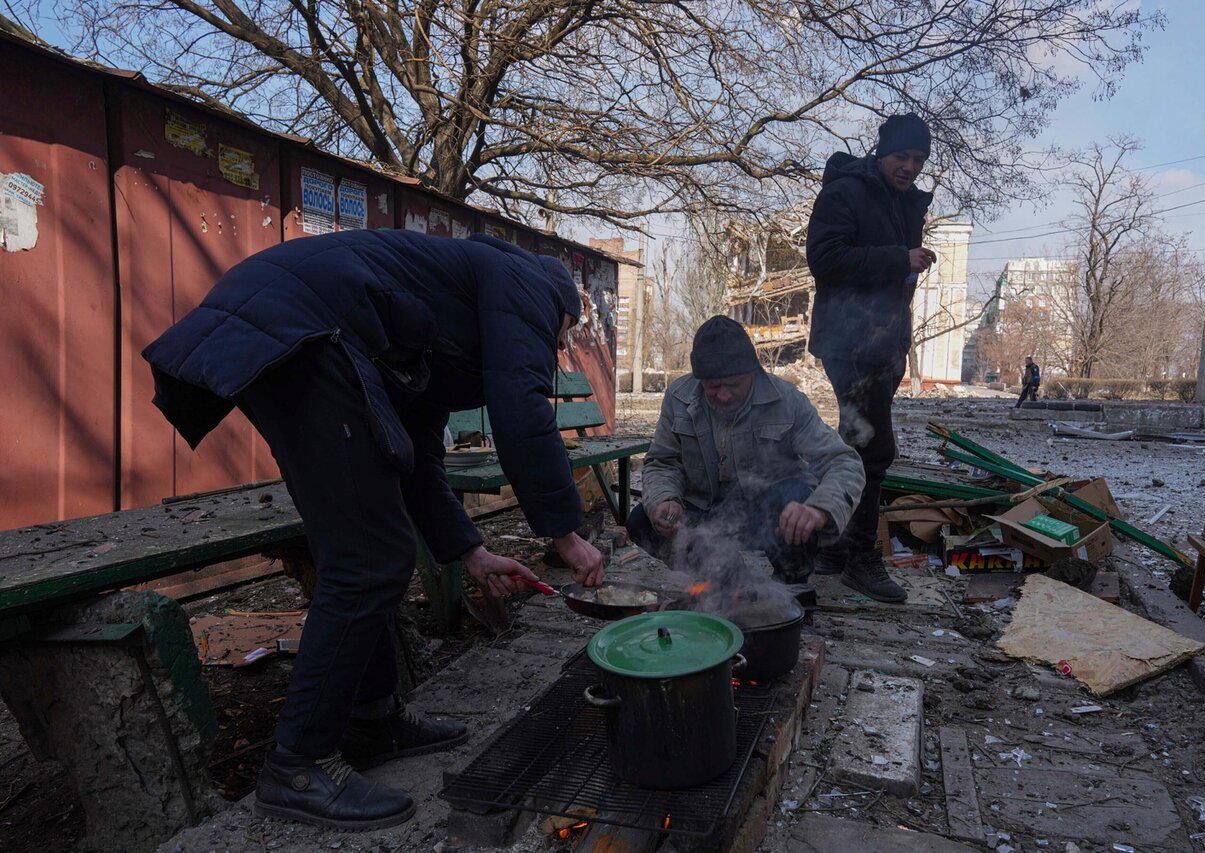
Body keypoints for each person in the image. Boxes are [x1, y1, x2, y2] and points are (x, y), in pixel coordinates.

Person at [143, 229, 606, 831]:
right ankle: (299, 764)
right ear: (561, 309)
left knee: (374, 545)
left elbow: (417, 453)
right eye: (564, 338)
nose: (559, 347)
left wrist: (471, 553)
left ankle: (370, 721)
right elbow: (523, 403)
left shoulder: (448, 314)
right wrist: (565, 534)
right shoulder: (529, 282)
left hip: (291, 324)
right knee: (367, 557)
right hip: (304, 328)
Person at [627, 316, 864, 605]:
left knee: (797, 497)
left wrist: (819, 509)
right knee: (642, 520)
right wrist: (664, 499)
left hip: (764, 519)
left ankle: (792, 585)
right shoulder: (679, 397)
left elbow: (843, 462)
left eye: (734, 384)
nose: (724, 395)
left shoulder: (786, 400)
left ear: (753, 371)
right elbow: (663, 462)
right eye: (713, 387)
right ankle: (728, 581)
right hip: (706, 518)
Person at [805, 113, 936, 603]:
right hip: (849, 341)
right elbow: (825, 258)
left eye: (918, 159)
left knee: (855, 444)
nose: (909, 167)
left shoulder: (905, 203)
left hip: (884, 341)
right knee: (873, 449)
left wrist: (910, 265)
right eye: (902, 155)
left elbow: (888, 274)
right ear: (882, 151)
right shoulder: (845, 192)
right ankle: (860, 558)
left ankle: (834, 548)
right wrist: (897, 258)